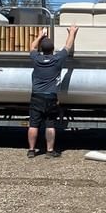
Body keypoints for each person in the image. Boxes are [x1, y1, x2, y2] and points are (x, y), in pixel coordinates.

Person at [27, 25, 79, 157]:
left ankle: (31, 150)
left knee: (33, 124)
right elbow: (68, 46)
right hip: (51, 97)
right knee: (50, 125)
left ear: (42, 50)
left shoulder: (36, 59)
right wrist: (72, 32)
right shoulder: (57, 59)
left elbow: (31, 47)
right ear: (52, 49)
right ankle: (50, 151)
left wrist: (40, 35)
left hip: (36, 96)